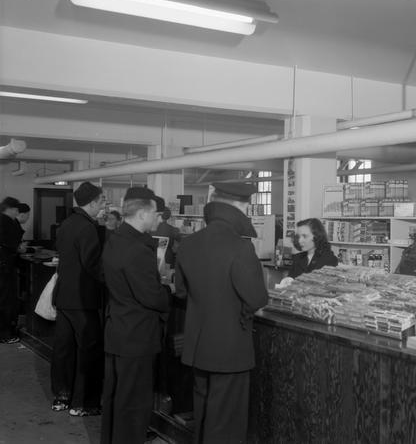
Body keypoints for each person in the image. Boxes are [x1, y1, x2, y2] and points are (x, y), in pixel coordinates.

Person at [175, 182, 269, 444]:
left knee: (203, 414)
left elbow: (181, 291)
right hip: (229, 350)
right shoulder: (240, 248)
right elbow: (257, 297)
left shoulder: (188, 243)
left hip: (197, 346)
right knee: (226, 421)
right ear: (239, 207)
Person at [101, 187, 172, 444]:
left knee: (116, 397)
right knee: (134, 403)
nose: (158, 218)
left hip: (118, 329)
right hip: (137, 335)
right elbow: (151, 296)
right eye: (155, 213)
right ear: (142, 213)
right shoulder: (138, 249)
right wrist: (166, 291)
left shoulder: (115, 240)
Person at [51, 182, 105, 416]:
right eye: (102, 202)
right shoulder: (87, 228)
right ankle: (83, 403)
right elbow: (93, 264)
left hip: (63, 298)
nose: (103, 207)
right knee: (88, 351)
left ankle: (61, 397)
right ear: (92, 202)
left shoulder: (66, 224)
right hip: (83, 300)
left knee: (63, 350)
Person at [0, 197, 23, 344]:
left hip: (3, 265)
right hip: (4, 267)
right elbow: (10, 243)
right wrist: (18, 248)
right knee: (5, 300)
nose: (18, 213)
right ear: (11, 209)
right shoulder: (6, 222)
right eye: (17, 210)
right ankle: (5, 334)